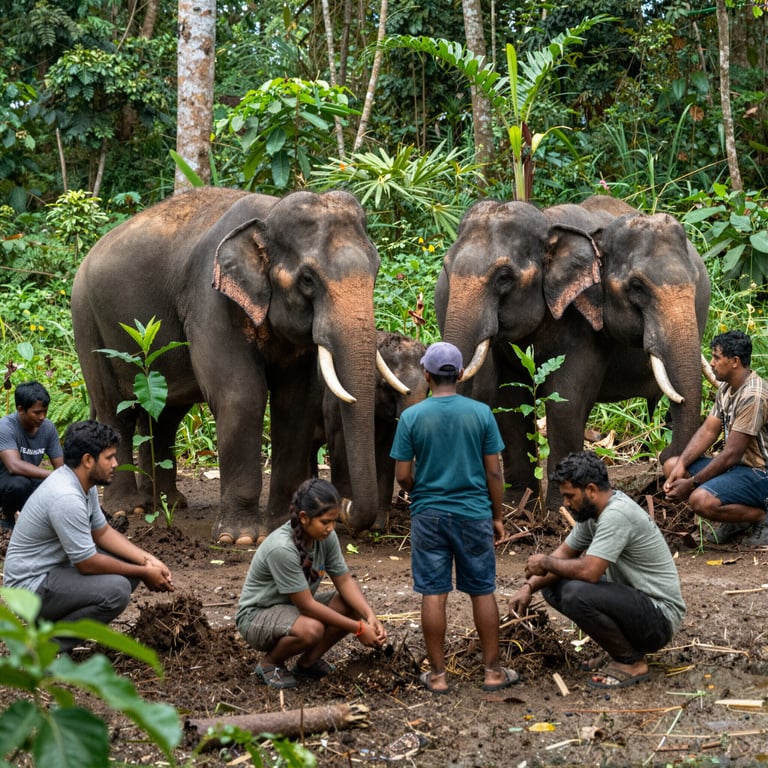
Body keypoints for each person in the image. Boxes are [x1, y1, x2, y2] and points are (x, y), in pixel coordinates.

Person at [390, 341, 517, 694]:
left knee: (433, 592)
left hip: (428, 516)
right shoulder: (481, 414)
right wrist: (497, 515)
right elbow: (494, 473)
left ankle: (438, 676)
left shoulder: (412, 417)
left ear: (426, 376)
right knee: (482, 591)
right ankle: (493, 672)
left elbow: (402, 475)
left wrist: (419, 492)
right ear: (460, 375)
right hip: (474, 514)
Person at [508, 451, 685, 689]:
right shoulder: (592, 514)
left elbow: (589, 571)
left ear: (590, 490)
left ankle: (630, 661)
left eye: (570, 496)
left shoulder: (616, 514)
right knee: (553, 585)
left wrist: (546, 563)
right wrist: (528, 587)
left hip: (659, 618)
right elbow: (562, 555)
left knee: (574, 593)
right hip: (635, 607)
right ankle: (621, 651)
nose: (566, 504)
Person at [3, 420, 174, 653]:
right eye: (109, 457)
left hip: (54, 570)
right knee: (116, 591)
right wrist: (144, 573)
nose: (116, 463)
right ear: (87, 460)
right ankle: (45, 647)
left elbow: (101, 532)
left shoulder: (85, 482)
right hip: (29, 586)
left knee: (129, 566)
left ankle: (52, 626)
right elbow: (87, 564)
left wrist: (147, 559)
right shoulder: (65, 496)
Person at [236, 478, 387, 690]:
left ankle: (307, 663)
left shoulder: (326, 537)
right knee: (311, 630)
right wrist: (359, 628)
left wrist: (369, 616)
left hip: (290, 610)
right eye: (325, 522)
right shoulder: (282, 548)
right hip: (257, 616)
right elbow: (306, 606)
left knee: (350, 604)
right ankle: (270, 663)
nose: (331, 528)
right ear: (304, 518)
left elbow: (344, 580)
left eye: (334, 521)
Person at [663, 330, 768, 547]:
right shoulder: (727, 388)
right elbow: (708, 431)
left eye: (717, 357)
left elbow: (731, 454)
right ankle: (737, 519)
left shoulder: (753, 396)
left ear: (735, 362)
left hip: (760, 473)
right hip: (739, 469)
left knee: (700, 500)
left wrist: (692, 483)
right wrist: (681, 465)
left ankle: (760, 517)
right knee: (672, 465)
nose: (711, 363)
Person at [0, 381, 64, 529]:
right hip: (6, 481)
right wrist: (54, 476)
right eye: (37, 413)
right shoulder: (5, 427)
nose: (42, 417)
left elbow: (60, 467)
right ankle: (6, 516)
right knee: (20, 484)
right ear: (21, 410)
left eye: (45, 411)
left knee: (55, 490)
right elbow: (13, 466)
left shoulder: (48, 428)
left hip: (29, 480)